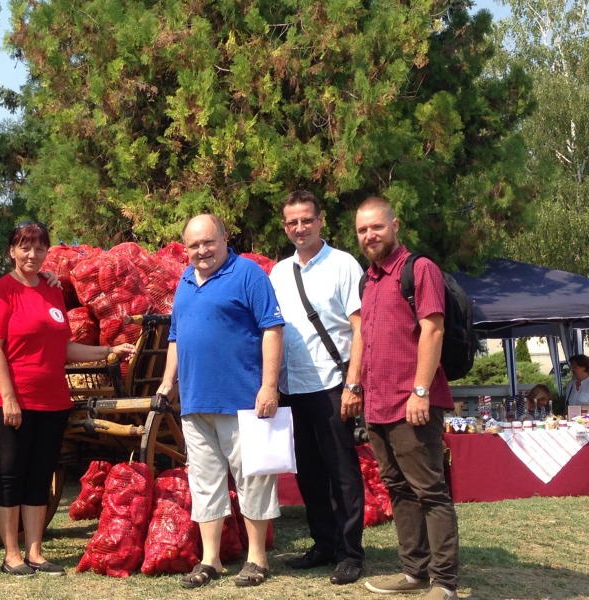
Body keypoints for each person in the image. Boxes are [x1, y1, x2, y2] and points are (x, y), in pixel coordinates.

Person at [0, 222, 136, 576]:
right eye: (25, 247)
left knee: (39, 475)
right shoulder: (2, 291)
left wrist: (108, 350)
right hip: (11, 399)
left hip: (53, 400)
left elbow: (65, 347)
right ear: (12, 251)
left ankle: (35, 552)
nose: (32, 255)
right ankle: (11, 555)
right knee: (11, 475)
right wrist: (8, 398)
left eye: (39, 248)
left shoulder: (52, 291)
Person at [157, 214, 284, 589]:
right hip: (196, 403)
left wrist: (269, 386)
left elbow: (272, 329)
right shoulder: (183, 281)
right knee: (205, 482)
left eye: (208, 242)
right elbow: (177, 337)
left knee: (253, 479)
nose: (202, 251)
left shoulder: (248, 274)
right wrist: (168, 383)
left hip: (242, 399)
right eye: (194, 245)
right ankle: (210, 559)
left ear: (225, 238)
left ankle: (257, 558)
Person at [354, 197, 460, 600]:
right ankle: (414, 571)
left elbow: (432, 331)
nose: (369, 236)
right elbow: (365, 338)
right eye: (363, 230)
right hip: (378, 405)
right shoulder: (372, 279)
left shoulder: (420, 270)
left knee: (430, 490)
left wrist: (420, 390)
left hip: (412, 402)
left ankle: (444, 582)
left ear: (394, 225)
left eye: (376, 227)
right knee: (398, 489)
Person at [268, 190, 365, 584]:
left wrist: (354, 384)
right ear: (285, 225)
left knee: (342, 472)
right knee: (308, 472)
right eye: (292, 222)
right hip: (293, 388)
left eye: (306, 219)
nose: (299, 228)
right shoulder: (278, 272)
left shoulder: (343, 265)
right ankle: (324, 543)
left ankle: (350, 553)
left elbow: (361, 328)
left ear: (320, 220)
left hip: (332, 384)